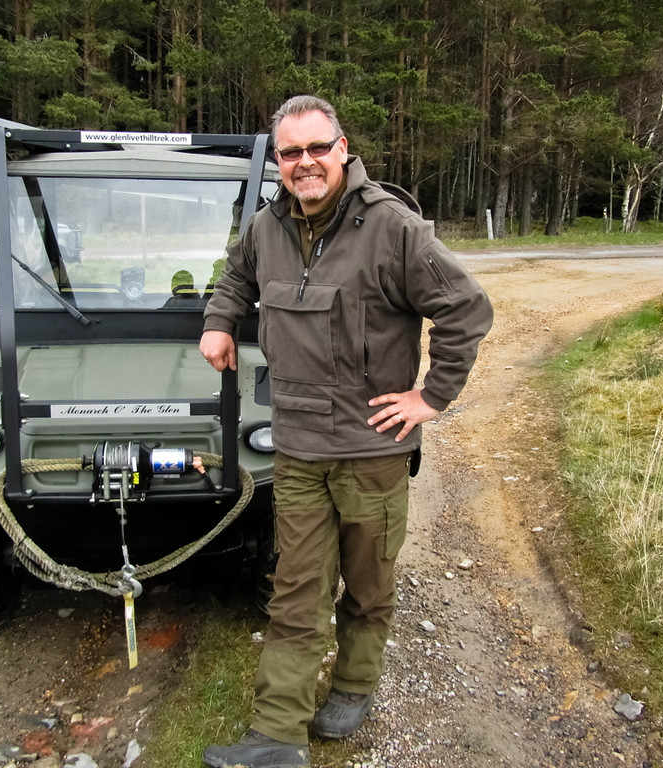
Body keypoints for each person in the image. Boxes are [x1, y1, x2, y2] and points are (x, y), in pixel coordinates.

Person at [199, 95, 494, 768]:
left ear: (342, 148)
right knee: (297, 590)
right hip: (298, 447)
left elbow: (465, 309)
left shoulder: (392, 227)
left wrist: (431, 396)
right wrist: (218, 321)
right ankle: (276, 736)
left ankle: (355, 685)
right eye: (289, 152)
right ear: (277, 162)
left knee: (366, 587)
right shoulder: (265, 227)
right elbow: (236, 279)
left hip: (369, 452)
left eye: (315, 148)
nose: (304, 163)